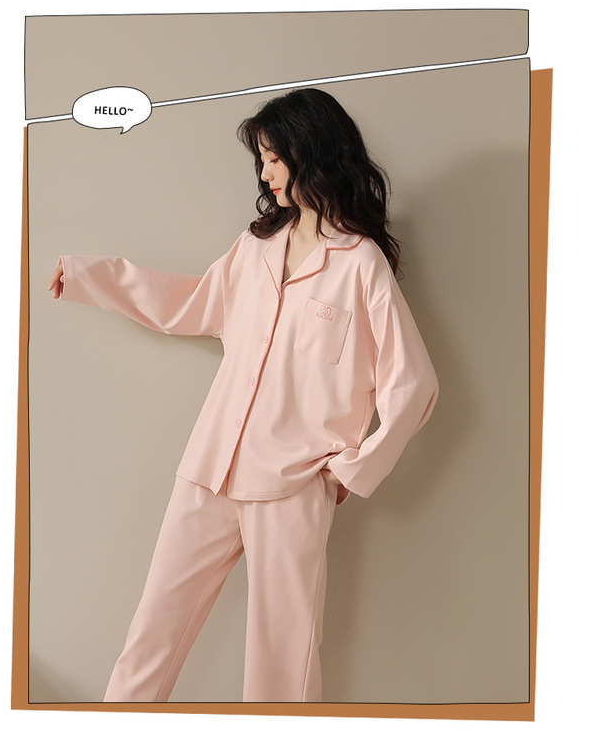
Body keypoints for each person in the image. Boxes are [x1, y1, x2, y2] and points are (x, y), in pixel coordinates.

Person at [48, 87, 439, 703]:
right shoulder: (255, 247)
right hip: (210, 467)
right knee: (151, 635)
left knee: (283, 661)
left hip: (291, 484)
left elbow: (413, 383)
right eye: (262, 159)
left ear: (313, 153)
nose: (266, 173)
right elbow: (188, 303)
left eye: (275, 158)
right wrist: (88, 276)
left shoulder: (360, 264)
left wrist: (350, 470)